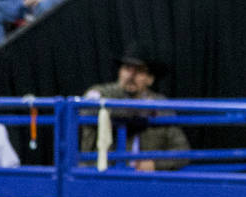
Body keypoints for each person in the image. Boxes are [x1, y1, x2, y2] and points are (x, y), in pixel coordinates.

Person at [79, 43, 190, 171]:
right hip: (101, 175)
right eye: (127, 68)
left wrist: (155, 164)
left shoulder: (160, 104)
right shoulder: (102, 93)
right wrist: (136, 113)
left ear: (150, 79)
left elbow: (182, 151)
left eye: (139, 71)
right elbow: (87, 107)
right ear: (120, 72)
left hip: (142, 182)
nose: (131, 75)